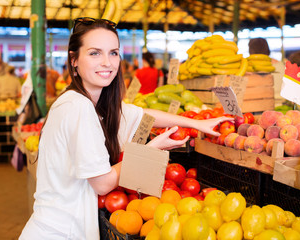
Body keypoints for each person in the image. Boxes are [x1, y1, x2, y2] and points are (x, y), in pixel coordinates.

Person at [19, 17, 232, 240]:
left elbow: (143, 116)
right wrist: (149, 150)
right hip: (58, 233)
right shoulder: (77, 106)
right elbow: (102, 184)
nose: (107, 62)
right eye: (95, 53)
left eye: (113, 52)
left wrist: (195, 123)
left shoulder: (92, 103)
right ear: (74, 59)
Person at [248, 38, 285, 107]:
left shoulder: (249, 67)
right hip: (282, 106)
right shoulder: (281, 65)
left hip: (258, 106)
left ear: (251, 51)